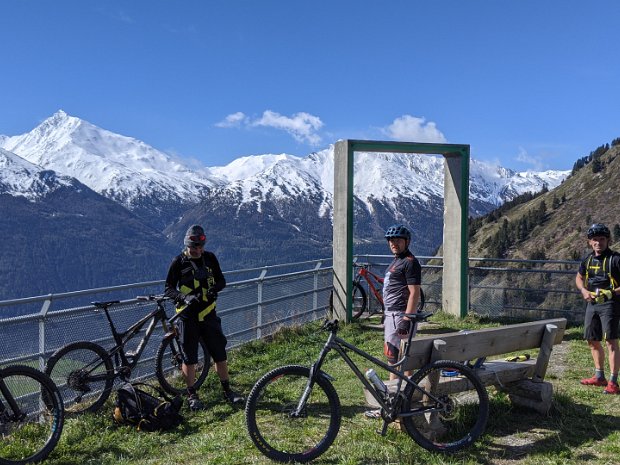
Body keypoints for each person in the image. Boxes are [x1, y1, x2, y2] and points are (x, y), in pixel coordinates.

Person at [164, 224, 244, 409]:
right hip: (187, 317)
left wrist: (215, 289)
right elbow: (168, 289)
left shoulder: (210, 258)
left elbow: (221, 280)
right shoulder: (178, 262)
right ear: (187, 245)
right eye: (194, 248)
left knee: (220, 354)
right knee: (189, 358)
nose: (198, 250)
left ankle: (227, 391)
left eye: (201, 247)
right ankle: (192, 395)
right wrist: (184, 297)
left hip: (209, 315)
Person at [365, 224, 422, 419]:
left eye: (398, 240)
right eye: (391, 240)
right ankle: (400, 402)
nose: (393, 243)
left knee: (395, 361)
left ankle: (393, 404)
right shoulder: (396, 261)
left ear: (407, 242)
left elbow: (414, 292)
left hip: (399, 316)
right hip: (392, 315)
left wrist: (407, 318)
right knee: (396, 360)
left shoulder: (409, 262)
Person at [575, 223, 620, 395]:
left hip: (611, 304)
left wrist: (610, 293)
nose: (598, 243)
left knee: (611, 341)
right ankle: (599, 376)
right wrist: (583, 290)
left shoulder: (616, 259)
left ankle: (614, 382)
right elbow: (579, 278)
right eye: (595, 240)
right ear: (589, 242)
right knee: (592, 340)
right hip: (592, 304)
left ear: (608, 240)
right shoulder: (587, 259)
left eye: (602, 239)